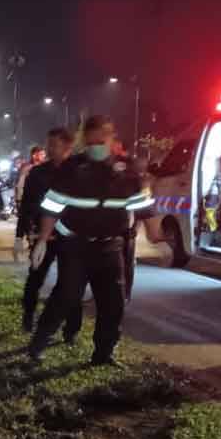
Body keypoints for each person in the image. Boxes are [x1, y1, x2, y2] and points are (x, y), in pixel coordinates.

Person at [28, 115, 161, 366]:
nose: (97, 145)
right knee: (66, 297)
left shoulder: (126, 170)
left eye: (102, 139)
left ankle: (103, 354)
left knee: (113, 303)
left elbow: (142, 205)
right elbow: (53, 205)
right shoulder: (71, 168)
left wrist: (157, 236)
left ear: (111, 138)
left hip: (111, 246)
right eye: (92, 141)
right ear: (84, 140)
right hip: (76, 245)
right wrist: (43, 239)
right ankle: (39, 343)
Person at [15, 127, 82, 339]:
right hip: (42, 236)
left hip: (70, 236)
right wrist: (20, 234)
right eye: (48, 145)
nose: (49, 149)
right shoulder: (37, 173)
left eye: (54, 145)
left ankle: (71, 329)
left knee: (72, 283)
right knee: (35, 277)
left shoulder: (79, 171)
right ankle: (28, 314)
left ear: (68, 146)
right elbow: (27, 205)